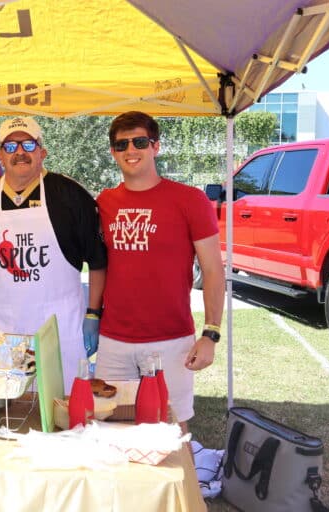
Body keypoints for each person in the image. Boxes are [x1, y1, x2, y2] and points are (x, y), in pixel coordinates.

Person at [94, 111, 225, 435]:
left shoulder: (190, 200)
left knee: (172, 430)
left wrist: (210, 334)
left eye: (140, 142)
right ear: (113, 152)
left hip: (171, 340)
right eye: (121, 144)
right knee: (111, 426)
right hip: (114, 340)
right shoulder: (105, 202)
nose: (130, 150)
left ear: (156, 146)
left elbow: (213, 270)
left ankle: (182, 474)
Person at [0, 117, 107, 393]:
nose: (20, 152)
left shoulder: (70, 195)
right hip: (3, 329)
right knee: (7, 405)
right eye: (10, 146)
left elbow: (97, 261)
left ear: (42, 152)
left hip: (60, 328)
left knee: (62, 405)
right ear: (0, 154)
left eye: (28, 144)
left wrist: (93, 314)